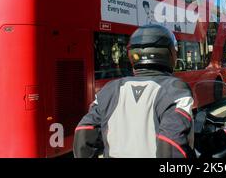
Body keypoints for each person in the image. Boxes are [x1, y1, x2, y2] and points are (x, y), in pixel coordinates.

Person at [73, 25, 194, 158]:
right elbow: (171, 146)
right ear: (170, 54)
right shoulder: (176, 91)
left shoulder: (109, 90)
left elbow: (83, 133)